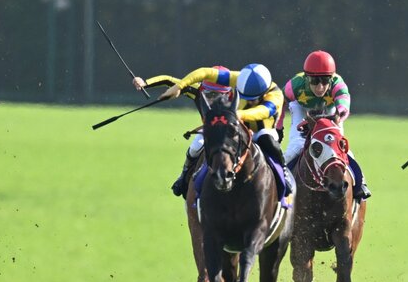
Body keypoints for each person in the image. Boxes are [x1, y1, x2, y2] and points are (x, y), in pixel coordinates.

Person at [135, 64, 291, 197]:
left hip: (261, 128)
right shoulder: (236, 78)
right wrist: (177, 86)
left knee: (267, 139)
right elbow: (203, 73)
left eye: (221, 95)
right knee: (201, 146)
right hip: (231, 126)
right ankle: (185, 177)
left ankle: (283, 174)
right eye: (209, 94)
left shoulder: (276, 95)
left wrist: (237, 114)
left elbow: (263, 111)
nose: (214, 99)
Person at [282, 50, 370, 199]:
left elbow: (343, 99)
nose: (320, 87)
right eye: (315, 81)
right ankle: (281, 184)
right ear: (306, 77)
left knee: (341, 148)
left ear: (332, 78)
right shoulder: (294, 86)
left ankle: (361, 184)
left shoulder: (337, 82)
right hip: (302, 108)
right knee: (296, 146)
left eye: (325, 80)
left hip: (330, 110)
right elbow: (280, 104)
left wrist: (339, 113)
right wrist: (278, 128)